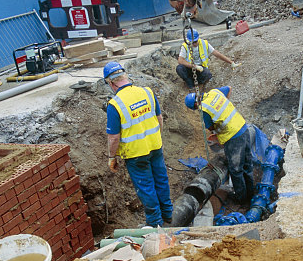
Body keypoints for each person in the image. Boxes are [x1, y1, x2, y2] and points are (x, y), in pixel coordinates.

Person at [104, 61, 172, 227]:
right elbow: (159, 119)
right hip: (155, 147)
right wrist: (157, 138)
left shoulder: (115, 104)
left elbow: (113, 138)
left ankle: (155, 222)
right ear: (125, 76)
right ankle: (168, 214)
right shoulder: (147, 92)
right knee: (161, 179)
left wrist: (112, 157)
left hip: (135, 154)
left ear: (111, 83)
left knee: (146, 186)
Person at [185, 86, 254, 206]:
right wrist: (224, 111)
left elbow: (211, 128)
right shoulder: (214, 92)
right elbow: (229, 88)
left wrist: (216, 135)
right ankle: (251, 193)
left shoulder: (204, 110)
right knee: (247, 164)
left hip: (233, 137)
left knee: (236, 170)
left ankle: (242, 199)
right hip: (243, 127)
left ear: (195, 106)